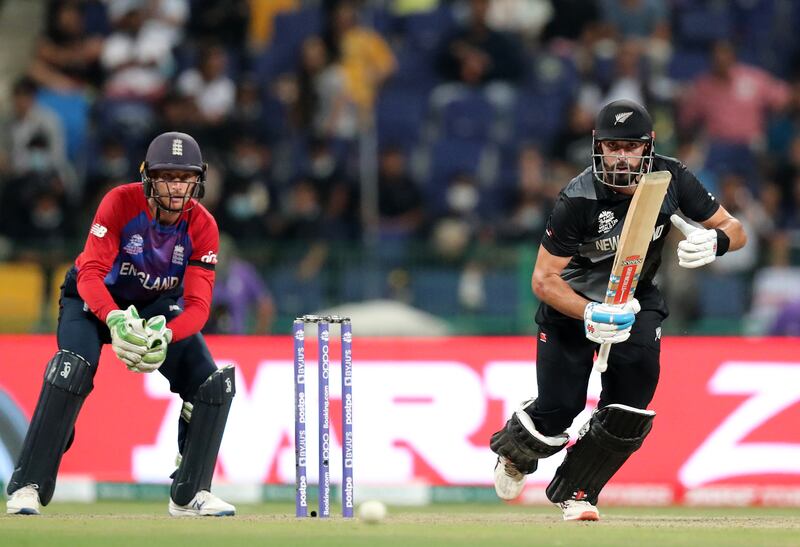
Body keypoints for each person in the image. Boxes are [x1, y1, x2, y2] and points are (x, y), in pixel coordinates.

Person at [489, 99, 747, 521]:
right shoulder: (578, 198)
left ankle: (578, 490)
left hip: (635, 299)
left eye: (631, 146)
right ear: (598, 146)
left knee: (632, 402)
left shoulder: (672, 178)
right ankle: (515, 455)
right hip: (571, 306)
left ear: (648, 146)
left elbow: (735, 229)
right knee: (559, 410)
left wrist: (717, 242)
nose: (622, 156)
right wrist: (590, 314)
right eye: (613, 146)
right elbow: (542, 280)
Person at [6, 131, 236, 517]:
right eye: (167, 176)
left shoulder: (203, 226)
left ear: (199, 179)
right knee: (70, 371)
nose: (176, 186)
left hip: (154, 307)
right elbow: (91, 273)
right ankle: (27, 485)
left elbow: (197, 307)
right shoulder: (119, 202)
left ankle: (191, 492)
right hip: (91, 302)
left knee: (210, 384)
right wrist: (113, 318)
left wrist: (165, 333)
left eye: (185, 177)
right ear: (147, 175)